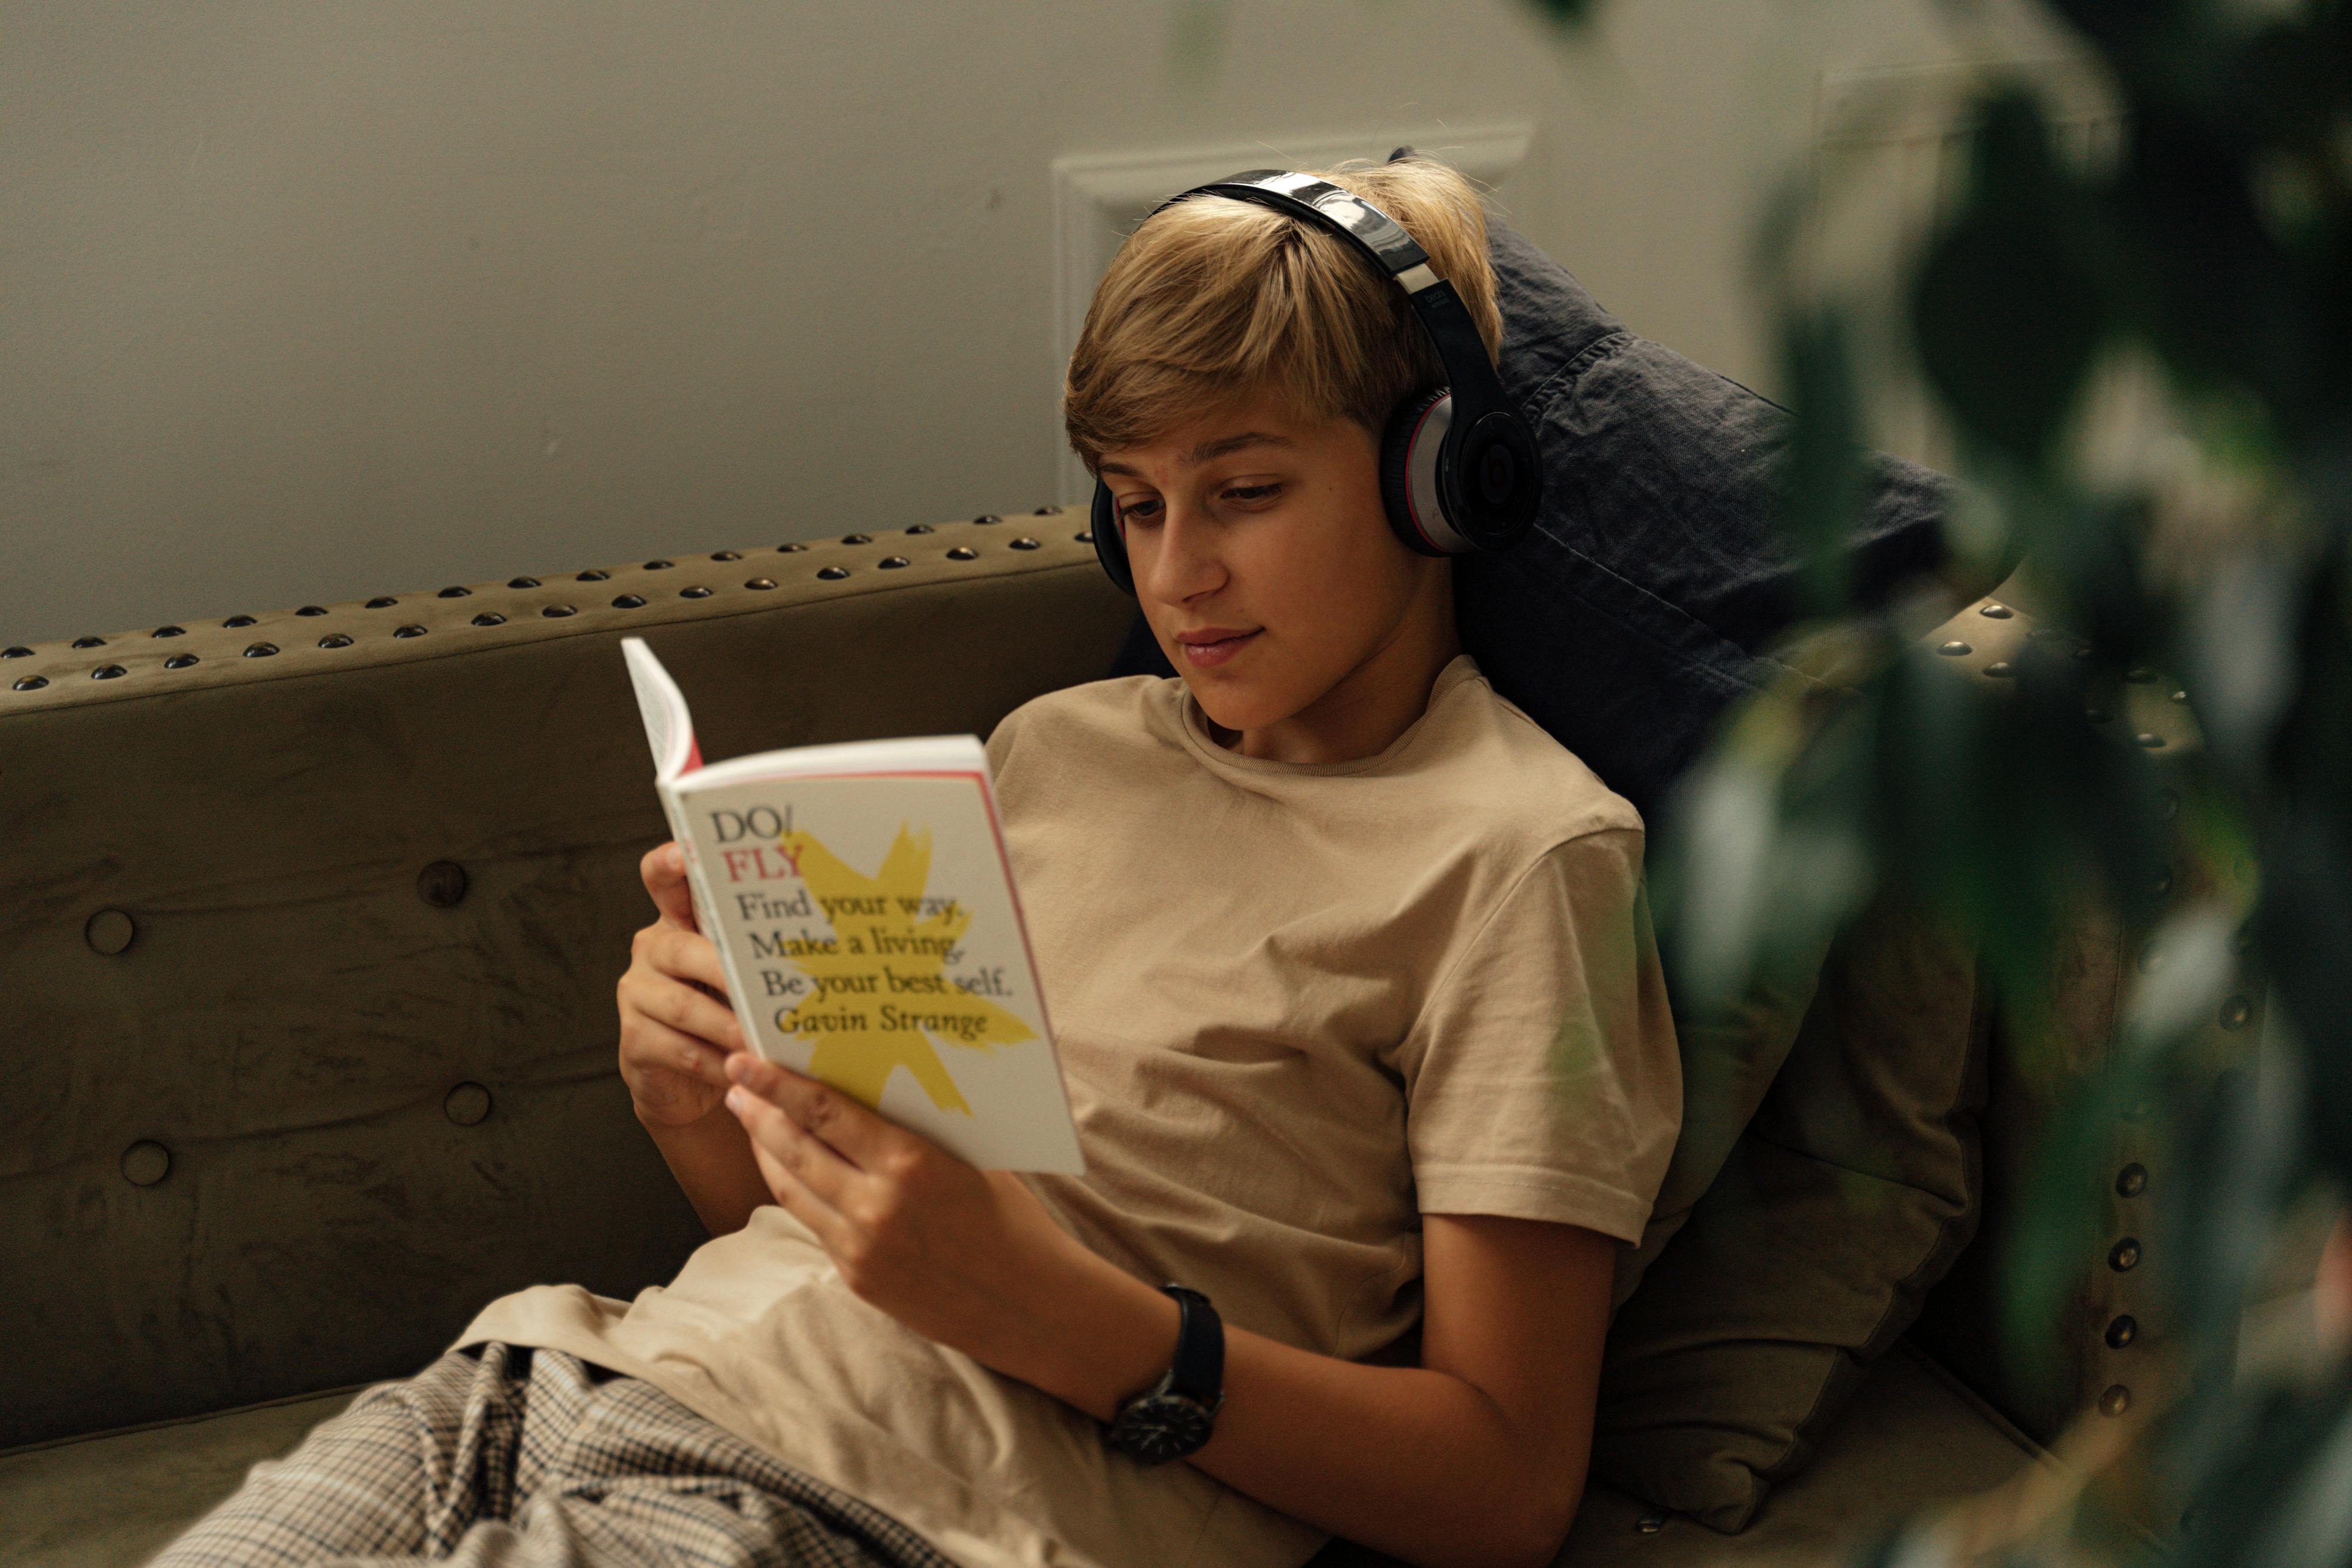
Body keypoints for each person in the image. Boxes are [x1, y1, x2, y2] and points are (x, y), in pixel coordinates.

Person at [147, 156, 1681, 1568]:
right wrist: (696, 1100)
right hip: (548, 1377)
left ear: (1434, 475)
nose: (1177, 573)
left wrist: (1078, 1322)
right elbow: (862, 1240)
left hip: (880, 1514)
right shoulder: (1054, 749)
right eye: (1136, 504)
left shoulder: (1520, 856)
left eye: (1245, 491)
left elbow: (1505, 1486)